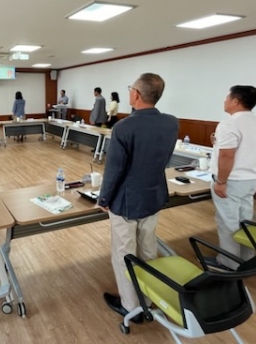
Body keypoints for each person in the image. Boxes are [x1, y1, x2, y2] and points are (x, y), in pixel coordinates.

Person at [97, 73, 178, 323]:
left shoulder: (124, 127)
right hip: (153, 196)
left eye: (130, 88)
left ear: (136, 94)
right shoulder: (171, 122)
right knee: (148, 249)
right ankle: (150, 298)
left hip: (126, 201)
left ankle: (131, 307)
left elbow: (114, 170)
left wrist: (103, 199)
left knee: (124, 253)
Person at [208, 85, 256, 271]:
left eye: (227, 97)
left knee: (228, 223)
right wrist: (217, 143)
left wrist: (221, 182)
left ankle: (229, 263)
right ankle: (246, 258)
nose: (224, 101)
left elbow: (227, 156)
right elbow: (243, 148)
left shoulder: (229, 123)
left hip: (231, 182)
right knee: (244, 220)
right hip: (249, 180)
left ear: (235, 101)